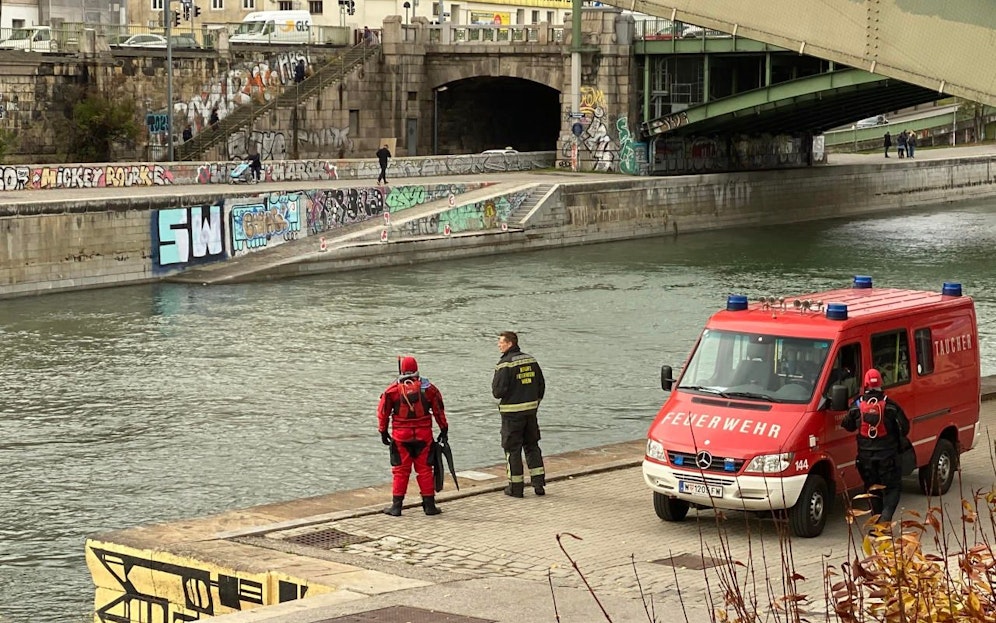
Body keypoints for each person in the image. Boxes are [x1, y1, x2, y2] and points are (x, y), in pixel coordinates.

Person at [377, 356, 448, 516]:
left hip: (401, 438)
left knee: (400, 471)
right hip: (424, 437)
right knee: (425, 470)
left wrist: (383, 431)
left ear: (401, 370)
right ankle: (429, 506)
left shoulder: (392, 390)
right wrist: (444, 429)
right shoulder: (429, 389)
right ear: (417, 369)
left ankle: (396, 507)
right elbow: (439, 410)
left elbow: (383, 413)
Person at [842, 368, 910, 523]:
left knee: (872, 489)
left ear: (865, 384)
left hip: (865, 459)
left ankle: (877, 525)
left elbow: (848, 425)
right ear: (881, 383)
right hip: (888, 458)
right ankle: (885, 519)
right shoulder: (891, 406)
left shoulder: (857, 406)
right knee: (893, 489)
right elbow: (905, 428)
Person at [492, 331, 546, 498]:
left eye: (501, 342)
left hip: (511, 414)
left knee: (512, 450)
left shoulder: (504, 364)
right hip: (530, 412)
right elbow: (541, 386)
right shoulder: (531, 360)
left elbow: (497, 392)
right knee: (532, 446)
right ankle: (538, 484)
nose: (498, 345)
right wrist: (534, 403)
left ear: (509, 344)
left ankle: (516, 488)